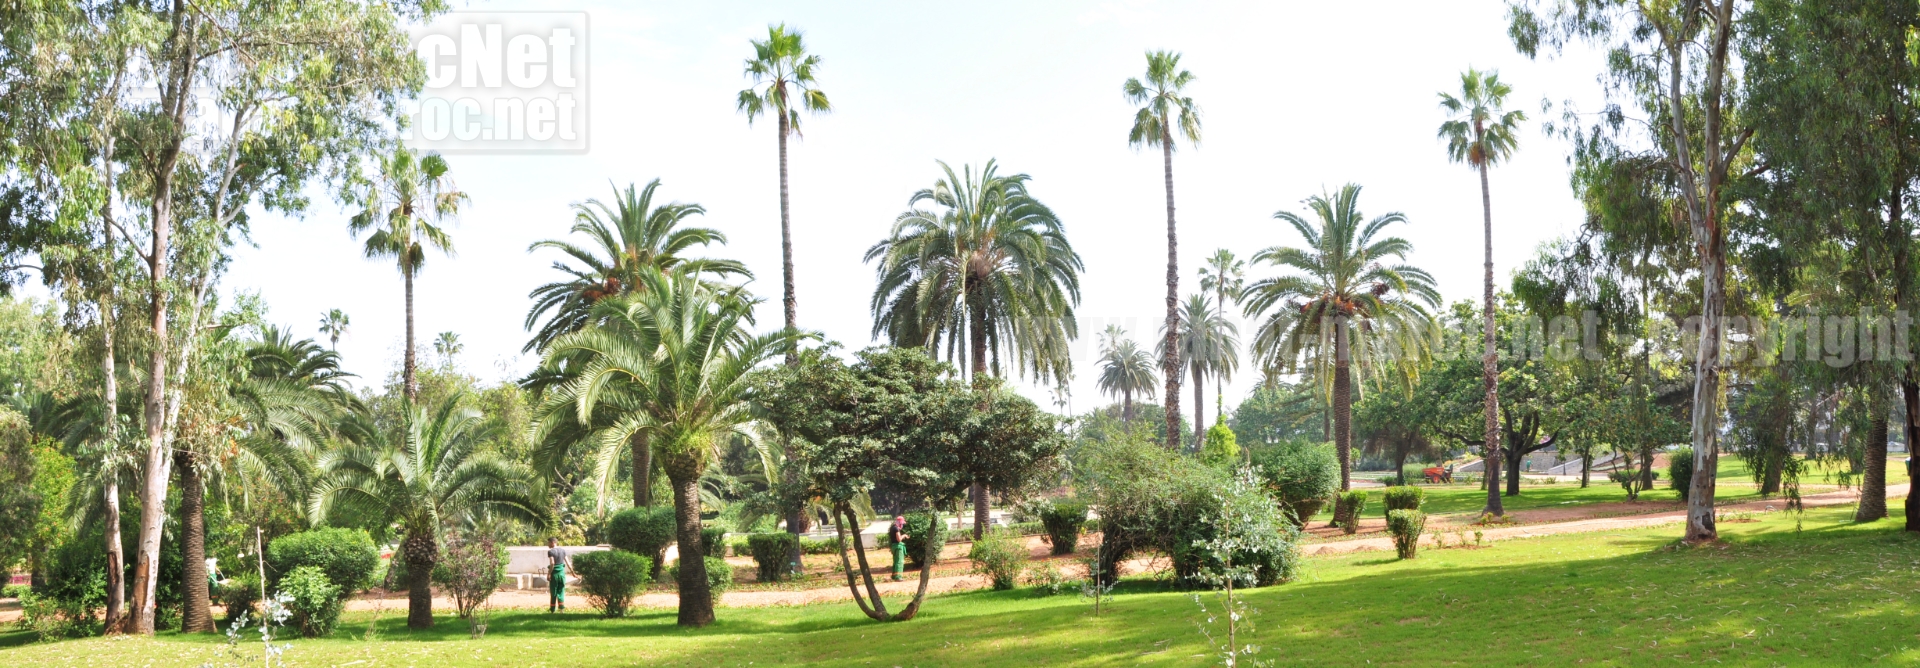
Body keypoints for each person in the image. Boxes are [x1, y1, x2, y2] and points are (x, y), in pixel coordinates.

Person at [547, 538, 572, 613]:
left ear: (553, 542)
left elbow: (552, 563)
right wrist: (573, 572)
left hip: (554, 574)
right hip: (562, 574)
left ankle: (552, 610)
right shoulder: (563, 551)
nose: (547, 544)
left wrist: (549, 574)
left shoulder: (550, 551)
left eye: (548, 543)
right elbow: (568, 563)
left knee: (554, 592)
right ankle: (561, 609)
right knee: (561, 591)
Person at [887, 516, 911, 582]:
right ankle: (898, 577)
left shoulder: (892, 527)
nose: (902, 525)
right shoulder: (896, 529)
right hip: (898, 547)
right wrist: (904, 535)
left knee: (895, 561)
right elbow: (899, 539)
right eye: (902, 523)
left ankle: (894, 576)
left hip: (894, 547)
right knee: (899, 562)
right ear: (899, 523)